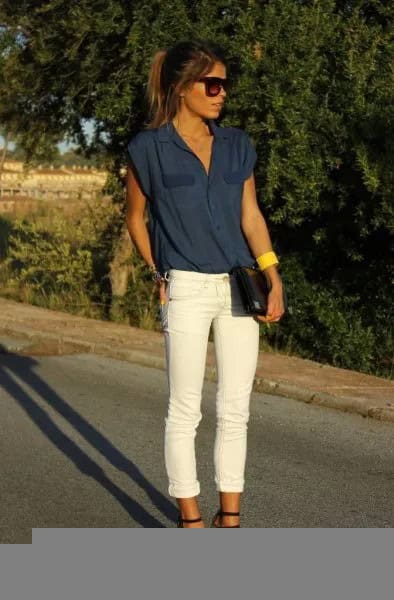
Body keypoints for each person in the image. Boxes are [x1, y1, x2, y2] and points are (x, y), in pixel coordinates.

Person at [126, 39, 285, 528]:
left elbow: (251, 216)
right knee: (185, 410)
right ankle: (191, 521)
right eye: (211, 84)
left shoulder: (238, 145)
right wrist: (159, 273)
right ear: (181, 87)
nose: (221, 94)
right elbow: (136, 219)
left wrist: (273, 276)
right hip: (188, 289)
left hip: (239, 286)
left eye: (224, 84)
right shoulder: (147, 148)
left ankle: (230, 519)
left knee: (236, 408)